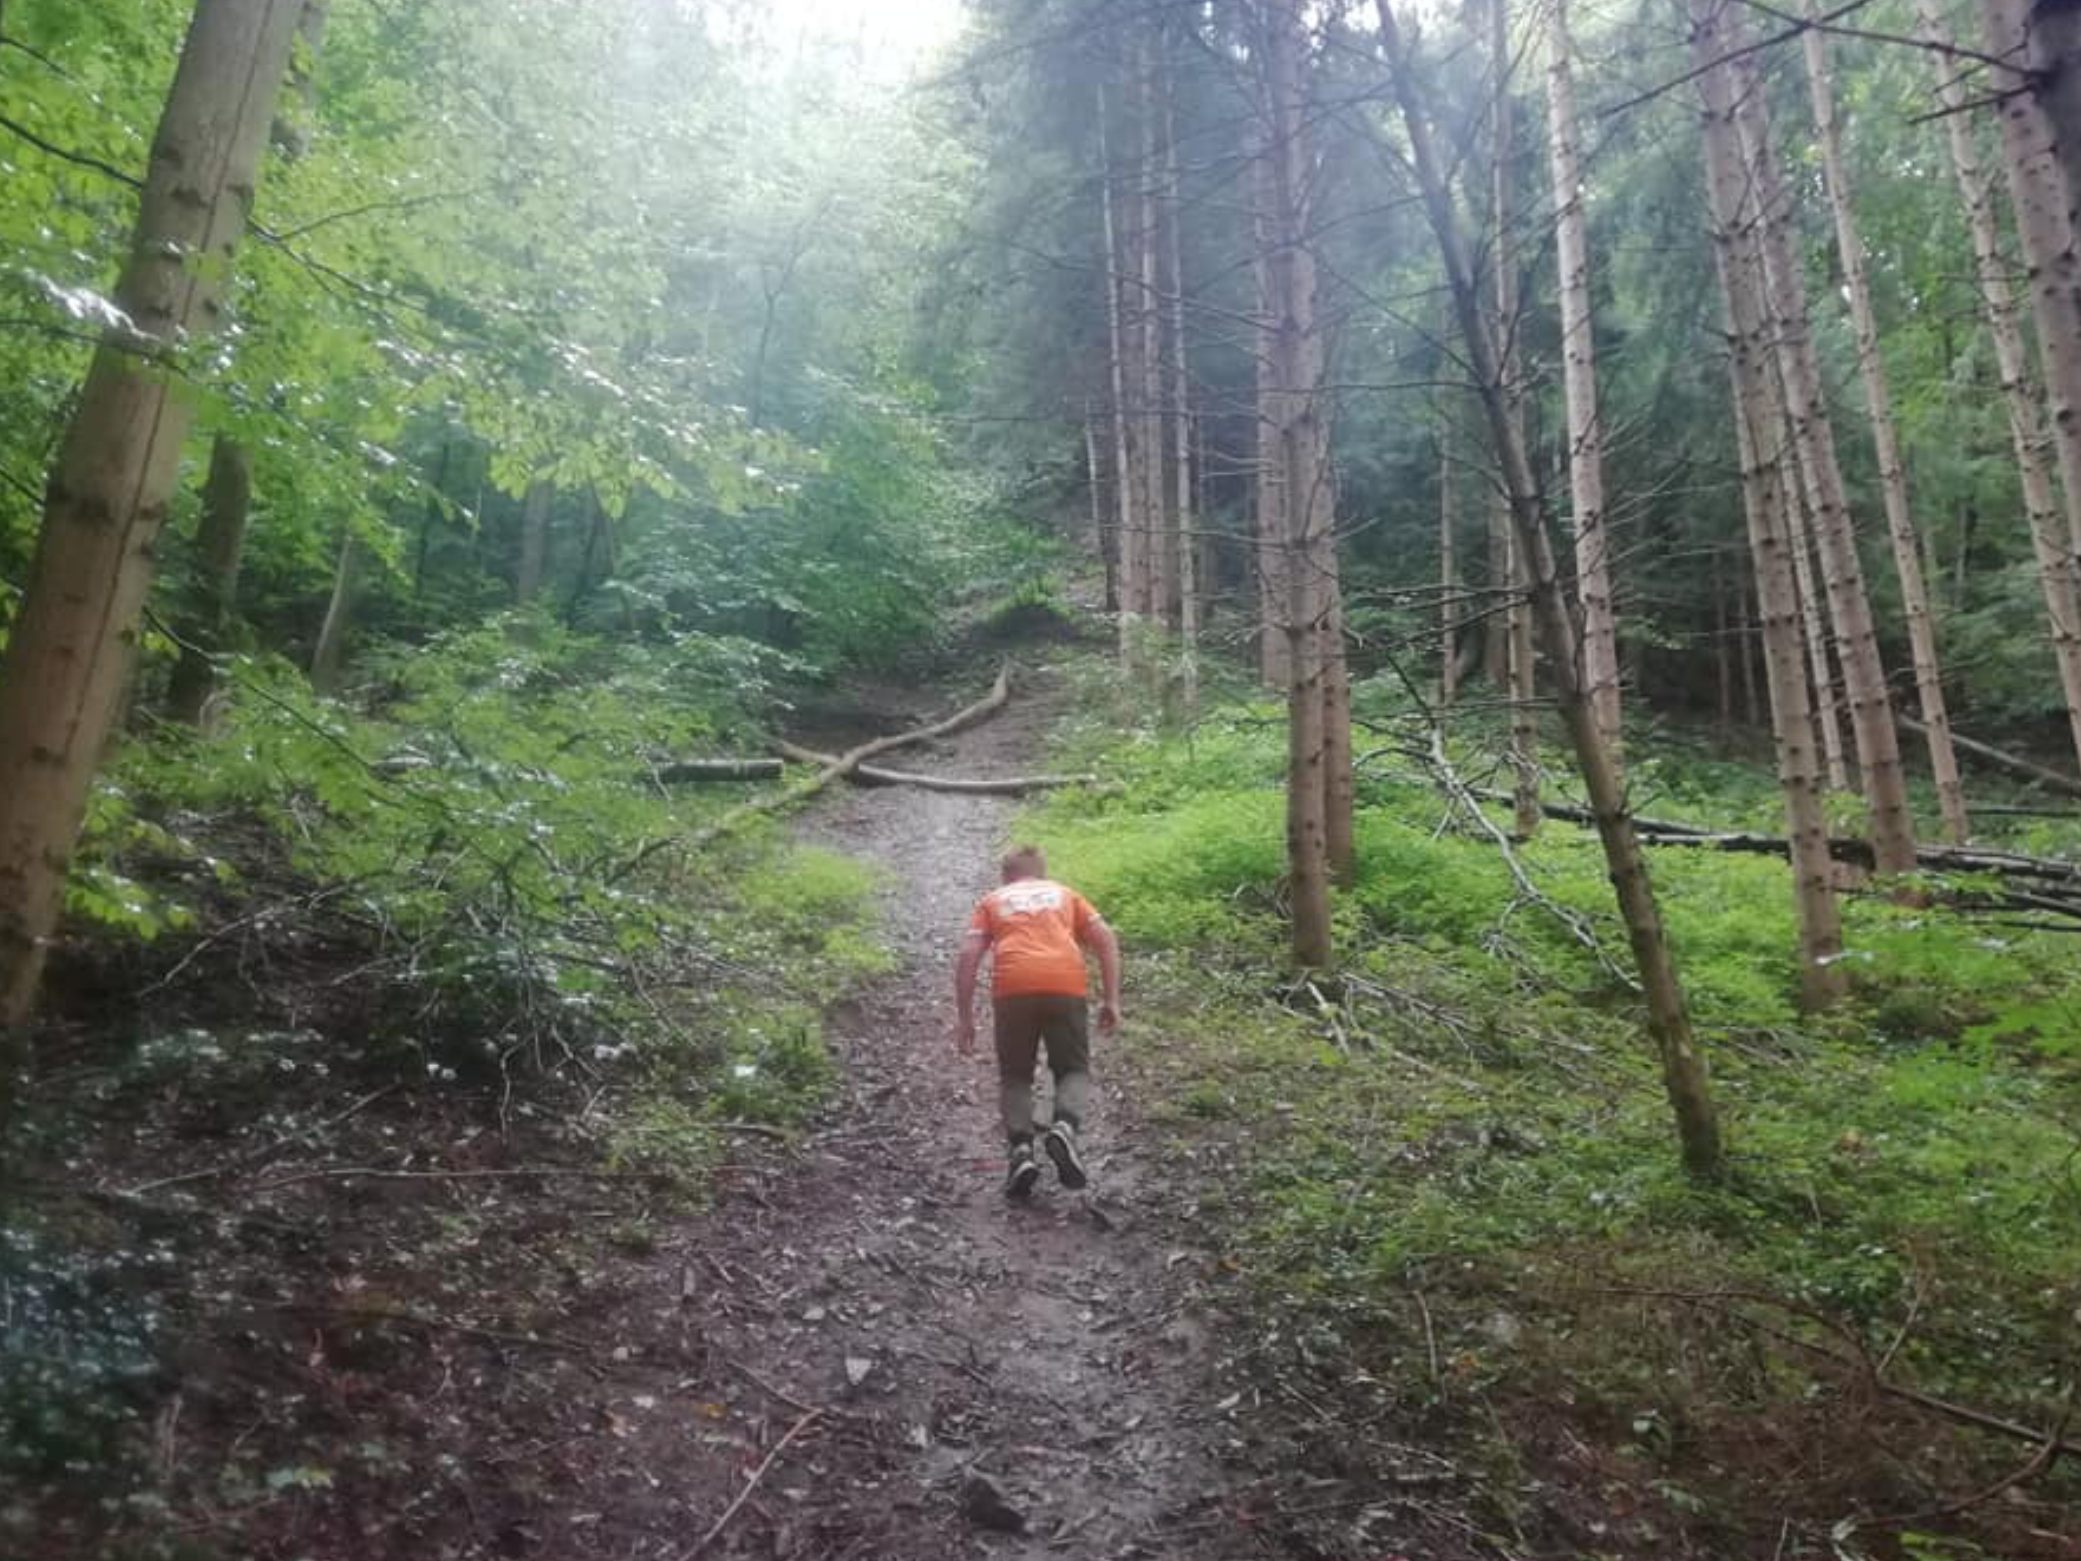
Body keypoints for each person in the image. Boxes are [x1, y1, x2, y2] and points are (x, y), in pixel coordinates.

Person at [953, 845, 1122, 1198]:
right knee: (1073, 1069)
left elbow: (969, 954)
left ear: (1006, 875)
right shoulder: (1065, 894)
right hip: (1065, 984)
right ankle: (1064, 1126)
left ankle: (1021, 1151)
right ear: (1041, 872)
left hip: (1013, 989)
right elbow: (1105, 939)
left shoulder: (993, 900)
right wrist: (1111, 999)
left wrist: (965, 1017)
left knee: (1015, 1074)